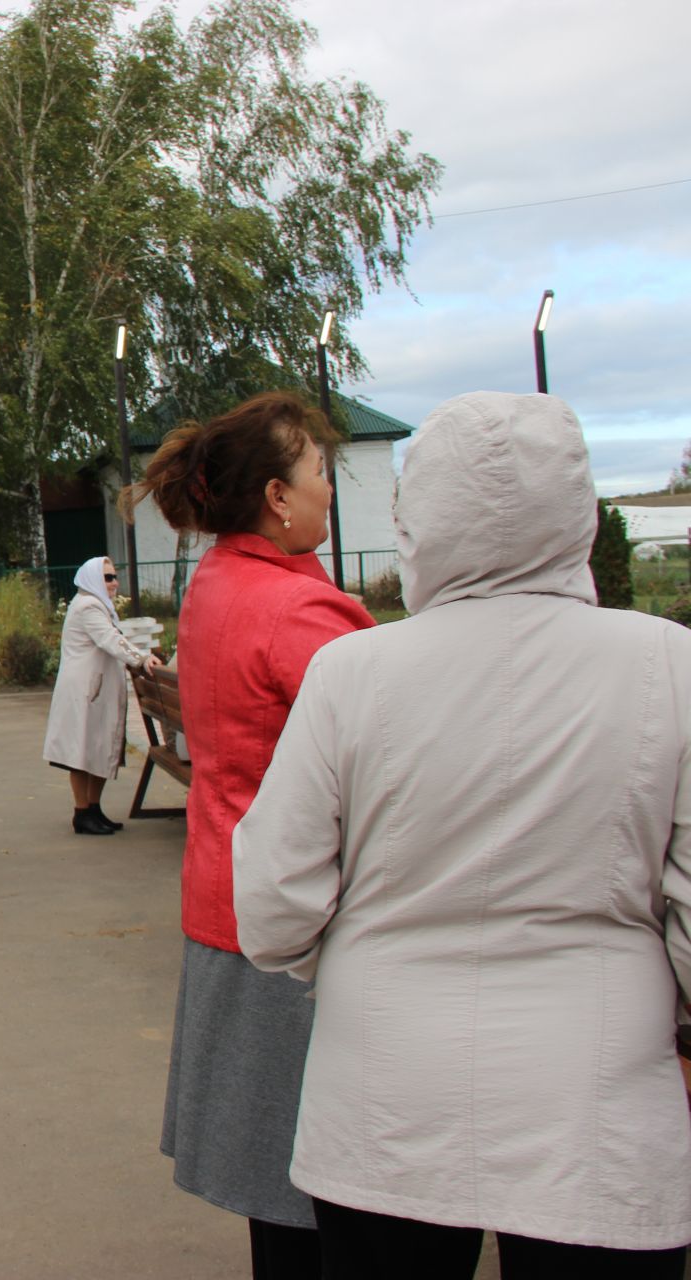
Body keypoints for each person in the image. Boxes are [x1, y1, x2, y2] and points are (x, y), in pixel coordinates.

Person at [232, 392, 691, 1276]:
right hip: (599, 1096)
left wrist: (347, 954)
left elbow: (273, 904)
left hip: (385, 1097)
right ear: (581, 514)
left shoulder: (352, 671)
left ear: (420, 518)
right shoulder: (666, 664)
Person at [123, 391, 374, 1278]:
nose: (328, 490)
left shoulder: (222, 581)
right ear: (277, 496)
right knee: (328, 1199)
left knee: (279, 1195)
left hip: (230, 895)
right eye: (318, 472)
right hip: (302, 923)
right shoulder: (300, 614)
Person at [41, 557, 163, 835]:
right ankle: (82, 812)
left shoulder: (94, 604)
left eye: (114, 576)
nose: (114, 582)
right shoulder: (89, 606)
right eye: (107, 577)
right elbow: (110, 640)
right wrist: (142, 659)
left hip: (93, 690)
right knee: (82, 750)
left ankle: (93, 809)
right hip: (86, 691)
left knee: (97, 747)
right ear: (93, 578)